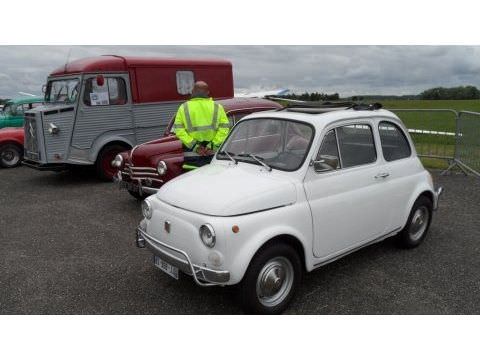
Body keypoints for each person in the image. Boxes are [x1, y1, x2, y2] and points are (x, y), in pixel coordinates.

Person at [173, 81, 230, 167]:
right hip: (212, 155)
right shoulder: (217, 107)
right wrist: (212, 146)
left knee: (194, 179)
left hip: (192, 155)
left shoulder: (183, 107)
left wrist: (195, 147)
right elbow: (224, 129)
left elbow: (179, 131)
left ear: (192, 92)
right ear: (207, 92)